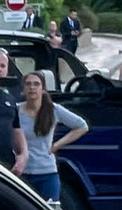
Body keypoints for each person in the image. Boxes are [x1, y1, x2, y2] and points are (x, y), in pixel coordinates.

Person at [13, 71, 88, 201]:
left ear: (43, 89)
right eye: (28, 84)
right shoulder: (15, 110)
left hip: (47, 173)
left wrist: (57, 145)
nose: (32, 88)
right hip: (22, 172)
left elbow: (82, 126)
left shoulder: (53, 110)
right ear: (23, 89)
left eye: (36, 84)